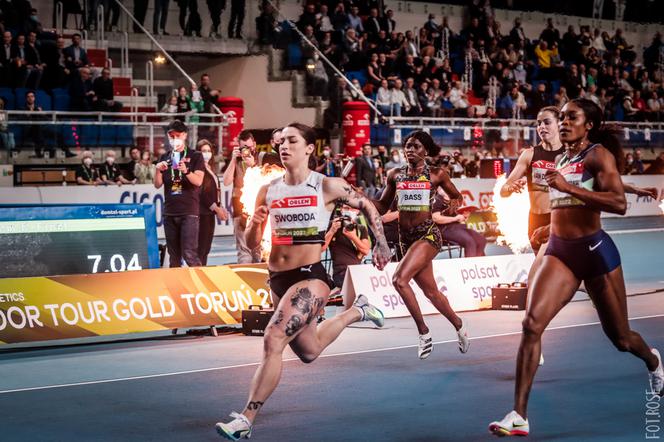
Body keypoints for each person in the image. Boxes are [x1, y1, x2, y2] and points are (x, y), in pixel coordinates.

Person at [489, 99, 664, 437]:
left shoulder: (597, 155)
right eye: (563, 117)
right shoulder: (561, 159)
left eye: (572, 117)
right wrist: (550, 227)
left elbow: (618, 203)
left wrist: (567, 187)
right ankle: (519, 414)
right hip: (560, 251)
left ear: (589, 125)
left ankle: (653, 359)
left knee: (622, 338)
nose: (564, 122)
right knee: (531, 323)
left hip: (595, 252)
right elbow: (563, 203)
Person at [215, 123, 391, 440]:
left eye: (292, 141)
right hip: (277, 279)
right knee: (309, 351)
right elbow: (255, 243)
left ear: (309, 148)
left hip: (311, 278)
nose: (284, 146)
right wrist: (256, 224)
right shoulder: (268, 190)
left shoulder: (326, 185)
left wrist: (381, 243)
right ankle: (356, 311)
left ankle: (245, 419)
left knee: (273, 337)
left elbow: (366, 204)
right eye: (281, 141)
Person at [371, 130, 469, 359]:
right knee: (432, 292)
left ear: (425, 150)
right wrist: (358, 198)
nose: (410, 150)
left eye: (415, 147)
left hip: (428, 236)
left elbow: (457, 196)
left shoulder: (436, 175)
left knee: (399, 279)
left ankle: (423, 332)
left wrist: (452, 206)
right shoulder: (395, 175)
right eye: (407, 146)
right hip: (406, 240)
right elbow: (382, 205)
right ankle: (459, 325)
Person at [501, 106, 564, 253]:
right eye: (539, 123)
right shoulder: (529, 155)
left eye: (547, 122)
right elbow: (503, 191)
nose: (541, 127)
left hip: (559, 219)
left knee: (556, 268)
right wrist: (510, 188)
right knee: (543, 268)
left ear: (559, 124)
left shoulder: (570, 155)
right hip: (536, 220)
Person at [222, 129, 280, 263]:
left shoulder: (263, 157)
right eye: (244, 147)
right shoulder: (235, 161)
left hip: (261, 210)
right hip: (240, 211)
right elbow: (226, 181)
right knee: (244, 252)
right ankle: (245, 279)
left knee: (261, 250)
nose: (247, 150)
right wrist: (233, 159)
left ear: (254, 143)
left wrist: (253, 165)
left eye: (249, 146)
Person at [154, 120, 206, 267]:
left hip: (188, 212)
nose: (174, 139)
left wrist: (186, 171)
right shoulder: (165, 157)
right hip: (170, 212)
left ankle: (200, 285)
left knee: (189, 253)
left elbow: (198, 181)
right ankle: (176, 288)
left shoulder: (195, 156)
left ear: (184, 135)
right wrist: (158, 169)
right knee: (173, 256)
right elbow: (157, 184)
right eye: (171, 136)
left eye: (177, 135)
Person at [323, 203, 371, 290]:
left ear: (357, 211)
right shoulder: (333, 225)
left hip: (358, 271)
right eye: (346, 208)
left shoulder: (361, 228)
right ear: (341, 209)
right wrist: (332, 231)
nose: (349, 211)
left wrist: (353, 237)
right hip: (341, 273)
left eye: (353, 209)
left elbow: (366, 250)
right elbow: (321, 249)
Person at [197, 139, 229, 266]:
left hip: (209, 213)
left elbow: (214, 191)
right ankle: (197, 276)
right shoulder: (198, 169)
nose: (207, 153)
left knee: (205, 248)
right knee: (200, 249)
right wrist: (216, 209)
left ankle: (202, 272)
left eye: (209, 151)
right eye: (203, 151)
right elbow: (202, 193)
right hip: (202, 213)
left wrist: (221, 206)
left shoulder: (210, 168)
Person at [431, 191, 486, 257]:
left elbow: (455, 215)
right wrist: (456, 218)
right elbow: (436, 218)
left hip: (455, 227)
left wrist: (463, 216)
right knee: (469, 241)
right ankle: (470, 266)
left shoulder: (454, 199)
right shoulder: (437, 200)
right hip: (442, 229)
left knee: (481, 240)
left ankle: (479, 264)